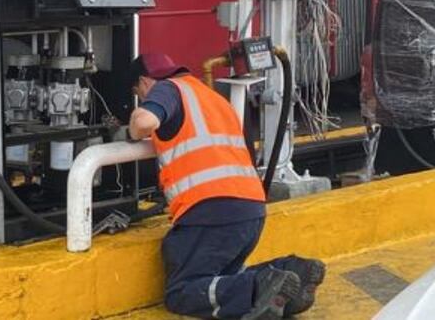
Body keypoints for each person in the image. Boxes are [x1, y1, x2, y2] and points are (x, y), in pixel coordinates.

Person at [127, 52, 325, 319]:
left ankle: (257, 288)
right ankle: (291, 272)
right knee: (223, 278)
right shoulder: (212, 97)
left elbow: (143, 123)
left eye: (138, 93)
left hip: (210, 211)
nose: (142, 97)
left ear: (144, 82)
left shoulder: (167, 89)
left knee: (182, 292)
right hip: (252, 210)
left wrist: (130, 129)